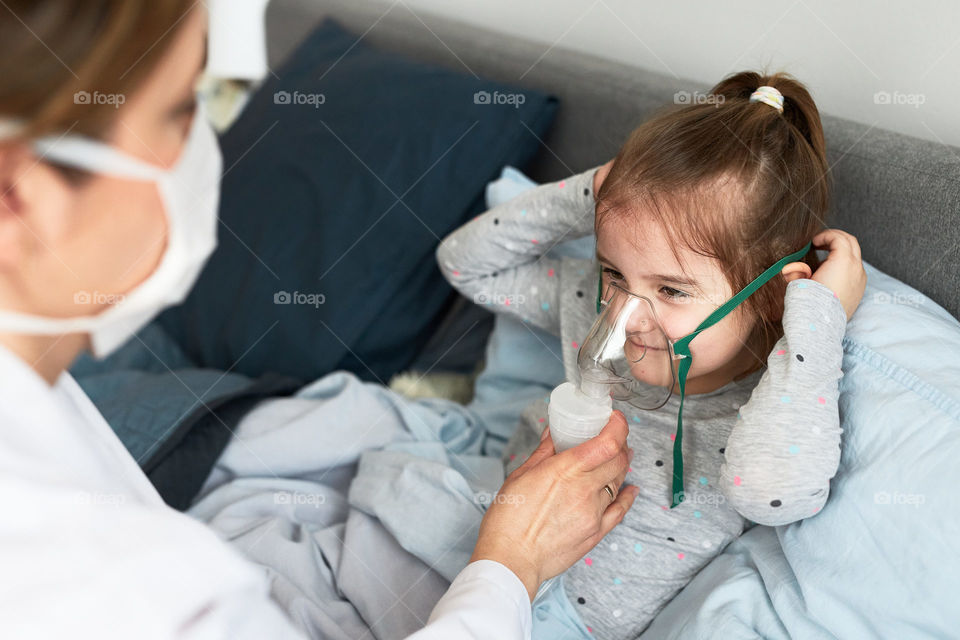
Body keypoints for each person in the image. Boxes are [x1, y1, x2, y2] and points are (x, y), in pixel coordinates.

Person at [0, 2, 637, 637]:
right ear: (15, 192)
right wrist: (509, 566)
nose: (206, 147)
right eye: (180, 109)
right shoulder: (112, 584)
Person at [437, 71, 867, 637]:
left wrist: (816, 316)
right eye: (615, 272)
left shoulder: (770, 405)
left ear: (773, 291)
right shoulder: (593, 305)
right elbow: (463, 263)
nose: (629, 315)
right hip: (476, 561)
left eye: (671, 290)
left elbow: (775, 494)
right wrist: (593, 193)